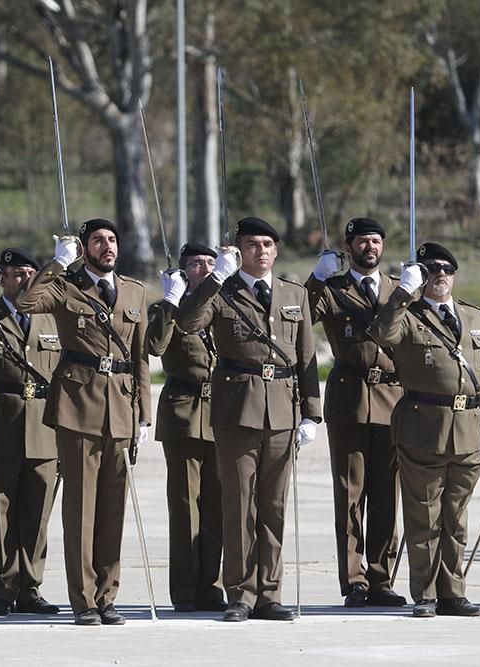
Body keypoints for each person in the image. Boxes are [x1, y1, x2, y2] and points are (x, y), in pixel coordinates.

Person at [175, 216, 321, 622]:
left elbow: (307, 357)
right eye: (252, 244)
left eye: (268, 244)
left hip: (283, 409)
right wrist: (213, 280)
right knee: (239, 505)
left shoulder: (294, 294)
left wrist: (312, 413)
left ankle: (269, 592)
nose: (261, 251)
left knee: (273, 505)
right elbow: (187, 323)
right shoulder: (223, 290)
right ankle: (241, 591)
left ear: (276, 250)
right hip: (237, 408)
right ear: (239, 251)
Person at [14, 218, 151, 626]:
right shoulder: (64, 287)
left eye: (112, 239)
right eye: (98, 241)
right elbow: (25, 303)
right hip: (79, 405)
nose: (107, 246)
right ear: (85, 248)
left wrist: (144, 413)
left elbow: (140, 358)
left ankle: (108, 595)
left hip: (122, 409)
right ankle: (84, 599)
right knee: (81, 510)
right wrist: (55, 264)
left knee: (113, 510)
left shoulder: (134, 291)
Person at [369, 242, 480, 618]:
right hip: (423, 427)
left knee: (456, 518)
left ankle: (453, 592)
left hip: (468, 430)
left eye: (446, 269)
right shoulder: (408, 315)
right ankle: (425, 594)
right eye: (430, 270)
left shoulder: (474, 317)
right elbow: (381, 334)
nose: (440, 275)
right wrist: (403, 293)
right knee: (424, 517)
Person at [305, 218, 406, 608]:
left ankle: (382, 577)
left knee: (386, 495)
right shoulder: (334, 290)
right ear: (348, 248)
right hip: (349, 397)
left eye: (376, 241)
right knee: (350, 495)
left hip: (392, 399)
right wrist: (316, 278)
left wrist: (411, 293)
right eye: (362, 242)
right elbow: (302, 315)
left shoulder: (398, 289)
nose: (370, 248)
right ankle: (355, 581)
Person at [0, 247, 62, 617]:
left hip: (44, 425)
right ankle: (3, 587)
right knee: (0, 511)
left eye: (27, 274)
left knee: (37, 513)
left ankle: (31, 587)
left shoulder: (51, 319)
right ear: (0, 279)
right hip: (3, 426)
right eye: (14, 274)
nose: (21, 280)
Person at [147, 242, 227, 613]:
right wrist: (169, 302)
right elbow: (155, 346)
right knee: (185, 507)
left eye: (211, 262)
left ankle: (212, 584)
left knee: (218, 506)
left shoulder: (225, 307)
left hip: (223, 414)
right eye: (197, 263)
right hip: (184, 413)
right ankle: (184, 589)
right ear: (183, 271)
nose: (206, 268)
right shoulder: (171, 307)